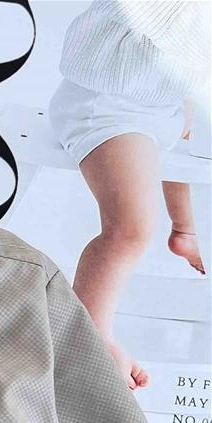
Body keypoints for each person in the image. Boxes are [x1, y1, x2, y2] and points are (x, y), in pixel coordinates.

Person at [47, 0, 210, 390]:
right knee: (130, 229)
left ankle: (184, 229)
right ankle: (90, 341)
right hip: (109, 105)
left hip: (166, 100)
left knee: (188, 146)